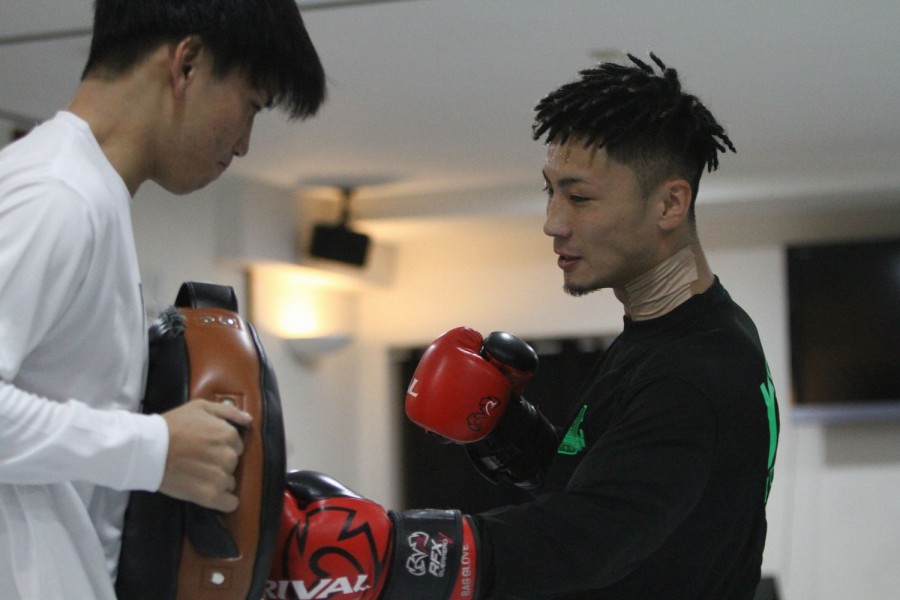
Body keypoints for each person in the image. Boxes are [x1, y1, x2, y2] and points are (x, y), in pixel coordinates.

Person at [268, 53, 779, 600]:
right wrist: (508, 430)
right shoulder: (680, 334)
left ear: (670, 204)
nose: (553, 222)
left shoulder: (695, 373)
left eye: (579, 197)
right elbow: (617, 489)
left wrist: (402, 554)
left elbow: (588, 538)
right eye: (550, 192)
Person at [0, 1, 325, 598]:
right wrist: (154, 447)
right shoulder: (56, 195)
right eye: (251, 106)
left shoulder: (89, 195)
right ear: (188, 63)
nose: (244, 144)